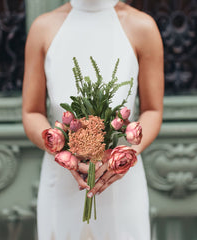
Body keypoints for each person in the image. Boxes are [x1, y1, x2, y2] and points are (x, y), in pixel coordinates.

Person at [22, 0, 164, 239]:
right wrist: (63, 154)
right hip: (62, 182)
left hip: (121, 183)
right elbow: (31, 112)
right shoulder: (43, 28)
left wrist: (125, 156)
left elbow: (153, 110)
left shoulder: (143, 27)